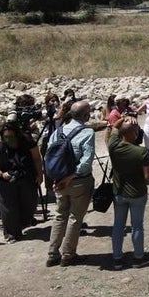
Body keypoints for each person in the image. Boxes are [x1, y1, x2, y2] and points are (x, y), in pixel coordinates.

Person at [45, 100, 96, 267]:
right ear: (85, 115)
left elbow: (49, 157)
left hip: (59, 181)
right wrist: (70, 177)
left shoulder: (57, 131)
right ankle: (68, 254)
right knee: (75, 218)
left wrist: (58, 179)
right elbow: (86, 163)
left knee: (60, 216)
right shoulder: (87, 132)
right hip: (79, 181)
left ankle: (52, 254)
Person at [107, 117, 149, 269]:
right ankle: (138, 257)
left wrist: (123, 119)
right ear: (134, 134)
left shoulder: (113, 147)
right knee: (137, 226)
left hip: (119, 193)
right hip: (137, 194)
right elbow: (147, 177)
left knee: (118, 226)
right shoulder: (142, 152)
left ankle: (117, 258)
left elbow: (114, 127)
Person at [0, 122, 43, 243]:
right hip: (6, 181)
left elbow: (37, 159)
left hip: (27, 177)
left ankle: (24, 223)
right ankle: (12, 234)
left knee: (30, 203)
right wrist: (1, 174)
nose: (9, 139)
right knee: (8, 208)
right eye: (6, 137)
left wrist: (40, 174)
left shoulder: (28, 143)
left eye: (11, 136)